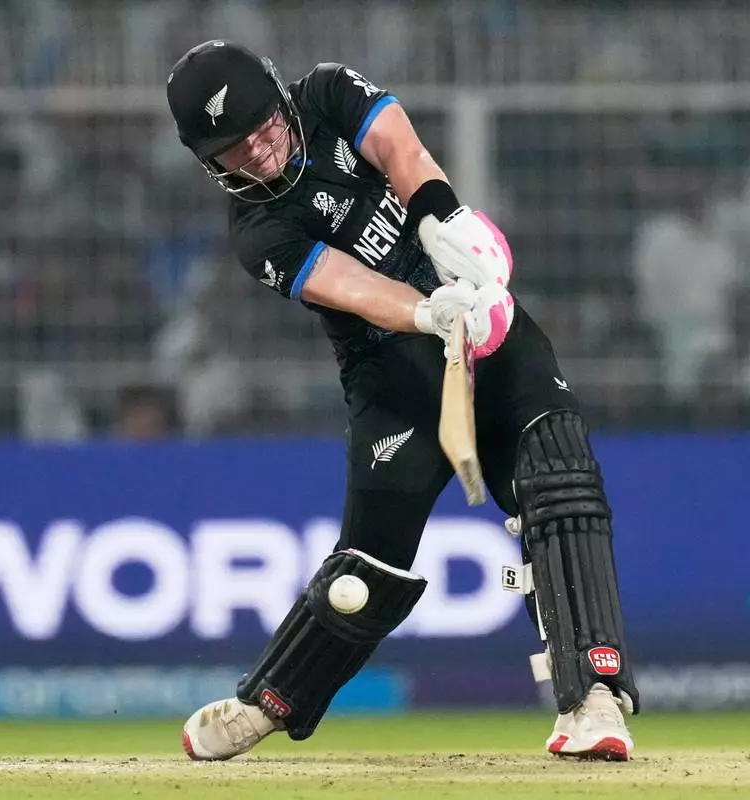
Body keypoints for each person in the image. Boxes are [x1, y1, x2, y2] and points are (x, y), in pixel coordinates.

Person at [165, 41, 639, 761]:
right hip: (393, 373)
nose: (256, 150)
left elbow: (400, 150)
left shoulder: (327, 93)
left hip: (487, 325)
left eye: (261, 126)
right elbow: (350, 287)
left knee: (560, 482)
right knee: (368, 570)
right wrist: (428, 312)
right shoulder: (258, 232)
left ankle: (594, 700)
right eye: (233, 148)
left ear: (278, 97)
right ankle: (265, 703)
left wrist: (446, 225)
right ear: (210, 162)